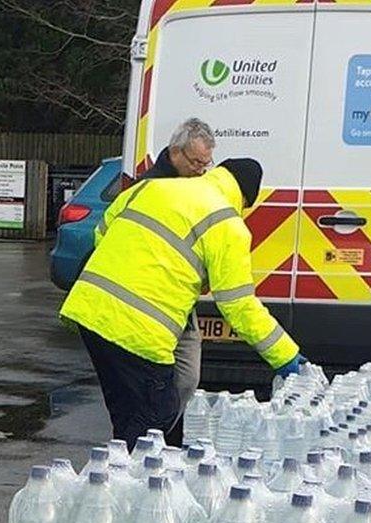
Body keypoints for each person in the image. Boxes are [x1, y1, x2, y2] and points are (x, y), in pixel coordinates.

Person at [60, 158, 305, 450]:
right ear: (245, 198)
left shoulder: (151, 188)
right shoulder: (226, 223)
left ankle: (114, 478)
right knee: (155, 418)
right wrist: (285, 356)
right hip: (138, 333)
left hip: (90, 312)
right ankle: (119, 487)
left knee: (127, 415)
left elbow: (101, 232)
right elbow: (238, 304)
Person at [139, 118, 216, 441]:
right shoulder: (151, 189)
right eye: (196, 162)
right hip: (153, 300)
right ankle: (153, 443)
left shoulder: (196, 187)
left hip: (181, 301)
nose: (201, 170)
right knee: (156, 382)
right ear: (176, 153)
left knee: (185, 379)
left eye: (206, 164)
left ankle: (166, 437)